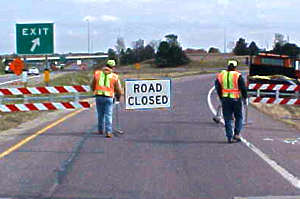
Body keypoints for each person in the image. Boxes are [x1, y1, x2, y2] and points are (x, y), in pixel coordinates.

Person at [215, 60, 248, 143]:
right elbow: (243, 88)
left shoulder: (222, 75)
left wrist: (221, 97)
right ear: (235, 67)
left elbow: (218, 87)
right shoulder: (237, 75)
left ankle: (229, 137)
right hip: (236, 99)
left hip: (225, 99)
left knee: (227, 118)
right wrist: (245, 98)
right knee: (239, 117)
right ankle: (236, 134)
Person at [91, 60, 122, 138]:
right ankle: (108, 131)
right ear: (113, 67)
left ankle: (100, 129)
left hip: (99, 96)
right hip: (109, 97)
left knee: (100, 114)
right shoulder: (115, 76)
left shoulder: (97, 73)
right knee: (108, 115)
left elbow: (92, 85)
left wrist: (95, 91)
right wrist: (118, 97)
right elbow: (118, 89)